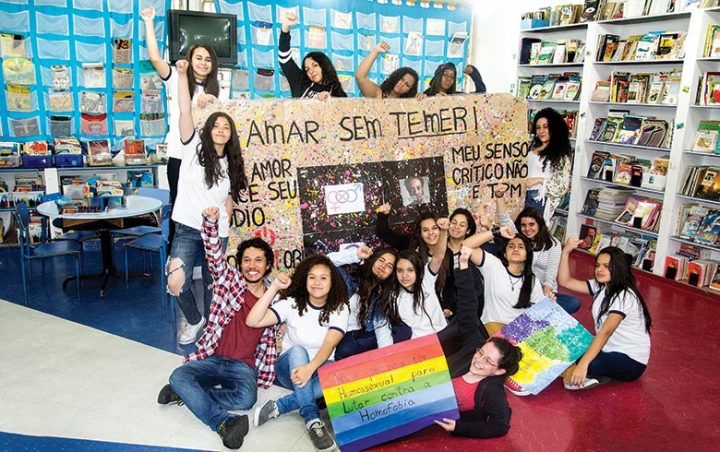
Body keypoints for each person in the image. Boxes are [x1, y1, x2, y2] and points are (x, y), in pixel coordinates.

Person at [157, 207, 278, 450]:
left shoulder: (275, 300)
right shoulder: (228, 280)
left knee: (247, 399)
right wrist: (210, 223)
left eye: (258, 260)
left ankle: (186, 394)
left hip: (243, 366)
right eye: (246, 260)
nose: (252, 266)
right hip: (212, 358)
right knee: (178, 376)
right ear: (239, 264)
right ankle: (223, 422)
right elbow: (213, 254)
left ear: (267, 266)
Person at [166, 59, 247, 345]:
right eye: (217, 125)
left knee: (215, 285)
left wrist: (225, 215)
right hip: (187, 227)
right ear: (209, 128)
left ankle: (212, 330)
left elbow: (231, 197)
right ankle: (193, 319)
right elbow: (184, 109)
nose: (221, 130)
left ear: (231, 133)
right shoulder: (192, 147)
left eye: (227, 127)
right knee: (176, 281)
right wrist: (182, 75)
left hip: (216, 231)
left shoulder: (233, 162)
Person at [140, 7, 228, 244]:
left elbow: (223, 122)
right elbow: (155, 58)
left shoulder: (217, 90)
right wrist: (149, 22)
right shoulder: (176, 79)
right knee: (180, 206)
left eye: (208, 60)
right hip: (180, 156)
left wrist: (213, 100)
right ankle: (176, 254)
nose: (203, 63)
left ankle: (207, 252)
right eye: (198, 58)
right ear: (190, 59)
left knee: (207, 205)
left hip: (207, 159)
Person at [247, 255, 349, 452]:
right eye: (312, 277)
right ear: (305, 279)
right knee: (298, 350)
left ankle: (279, 406)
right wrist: (274, 288)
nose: (317, 282)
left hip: (318, 368)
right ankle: (312, 420)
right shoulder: (292, 304)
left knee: (340, 372)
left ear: (332, 282)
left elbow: (330, 343)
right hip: (289, 368)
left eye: (323, 278)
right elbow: (253, 321)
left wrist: (310, 368)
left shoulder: (340, 308)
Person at [434, 246, 522, 438]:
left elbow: (500, 426)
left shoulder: (492, 391)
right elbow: (468, 308)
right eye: (481, 352)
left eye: (488, 361)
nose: (479, 360)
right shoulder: (472, 348)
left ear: (499, 371)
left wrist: (458, 428)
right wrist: (463, 266)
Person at [558, 240, 652, 390]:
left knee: (588, 361)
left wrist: (583, 365)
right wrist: (565, 252)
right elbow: (565, 281)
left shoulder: (624, 295)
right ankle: (592, 370)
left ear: (618, 268)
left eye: (607, 266)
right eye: (598, 265)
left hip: (631, 361)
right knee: (565, 336)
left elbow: (605, 332)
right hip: (607, 348)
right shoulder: (601, 286)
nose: (600, 270)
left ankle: (592, 372)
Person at [496, 193, 581, 314]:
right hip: (521, 288)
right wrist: (499, 197)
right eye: (523, 225)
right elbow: (504, 219)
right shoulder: (518, 238)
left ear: (539, 225)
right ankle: (535, 310)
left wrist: (546, 294)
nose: (527, 229)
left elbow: (550, 276)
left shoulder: (553, 244)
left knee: (573, 302)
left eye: (532, 224)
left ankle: (534, 309)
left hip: (543, 290)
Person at [327, 245, 411, 359]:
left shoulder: (381, 293)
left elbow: (381, 326)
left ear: (392, 273)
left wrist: (387, 355)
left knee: (403, 331)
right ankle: (364, 355)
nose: (383, 266)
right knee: (345, 349)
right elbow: (325, 262)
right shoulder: (352, 278)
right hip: (342, 335)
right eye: (381, 260)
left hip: (362, 336)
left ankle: (368, 357)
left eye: (389, 266)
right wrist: (355, 254)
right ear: (373, 259)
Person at [375, 218, 450, 344]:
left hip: (443, 336)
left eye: (410, 270)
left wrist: (443, 231)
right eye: (400, 270)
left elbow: (439, 256)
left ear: (417, 270)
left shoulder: (426, 278)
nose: (404, 275)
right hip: (419, 345)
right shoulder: (394, 296)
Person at [376, 206, 457, 318]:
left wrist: (447, 306)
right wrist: (382, 214)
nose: (430, 233)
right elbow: (383, 233)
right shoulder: (411, 246)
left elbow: (449, 284)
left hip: (433, 307)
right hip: (409, 306)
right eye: (425, 230)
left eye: (434, 228)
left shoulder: (447, 254)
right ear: (420, 234)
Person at [462, 226, 544, 336]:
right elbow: (466, 245)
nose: (515, 249)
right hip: (491, 329)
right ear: (505, 253)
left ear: (526, 255)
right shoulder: (494, 265)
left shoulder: (533, 280)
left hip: (517, 334)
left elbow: (540, 314)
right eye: (511, 246)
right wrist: (496, 232)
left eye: (520, 247)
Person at [278, 11, 347, 99]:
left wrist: (330, 101)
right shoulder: (300, 82)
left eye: (315, 65)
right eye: (307, 69)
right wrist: (285, 27)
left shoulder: (338, 94)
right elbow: (284, 59)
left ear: (324, 66)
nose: (311, 71)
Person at [525, 107, 572, 222]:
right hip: (521, 194)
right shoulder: (531, 146)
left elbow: (562, 186)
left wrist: (539, 180)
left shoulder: (560, 155)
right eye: (538, 127)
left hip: (537, 197)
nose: (541, 131)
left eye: (545, 127)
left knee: (532, 231)